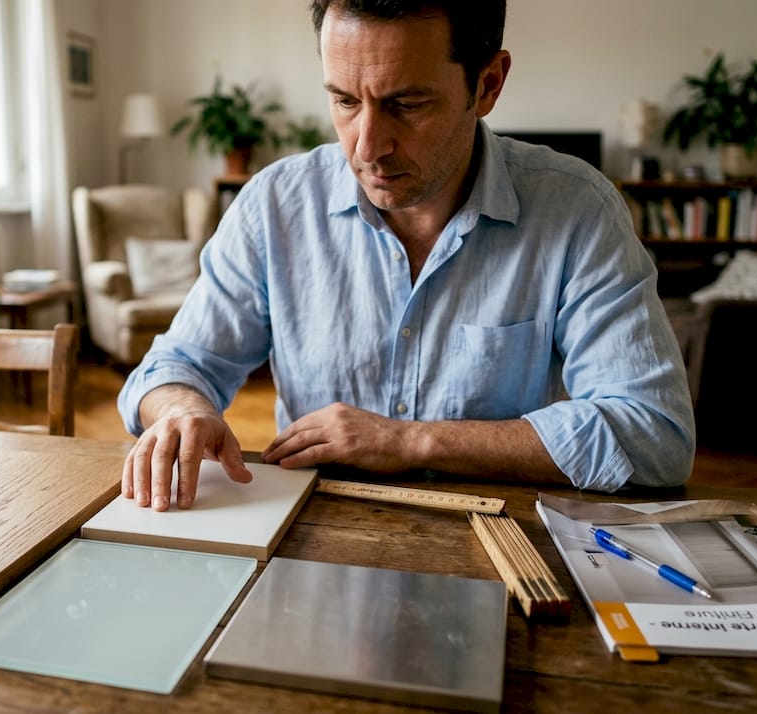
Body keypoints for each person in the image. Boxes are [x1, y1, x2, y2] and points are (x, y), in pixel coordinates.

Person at [117, 0, 695, 511]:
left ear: (488, 84)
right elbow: (175, 366)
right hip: (311, 538)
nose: (367, 146)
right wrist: (180, 409)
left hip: (499, 541)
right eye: (344, 101)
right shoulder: (274, 205)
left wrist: (410, 439)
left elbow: (653, 433)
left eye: (407, 104)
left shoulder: (578, 209)